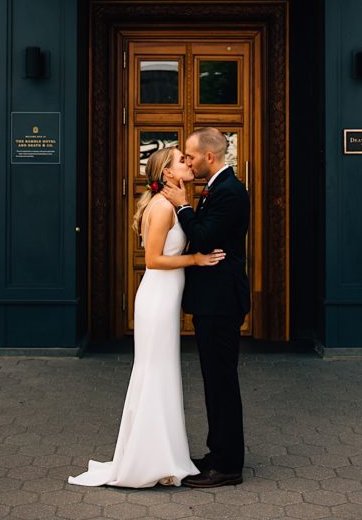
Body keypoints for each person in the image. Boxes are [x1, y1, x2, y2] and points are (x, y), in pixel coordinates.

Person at [68, 145, 225, 489]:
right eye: (181, 159)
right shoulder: (161, 208)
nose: (189, 162)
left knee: (163, 375)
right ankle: (151, 460)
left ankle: (164, 457)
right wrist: (196, 260)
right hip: (156, 299)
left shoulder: (173, 205)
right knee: (155, 374)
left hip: (166, 298)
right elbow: (153, 260)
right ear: (167, 173)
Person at [162, 127, 250, 488]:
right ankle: (217, 453)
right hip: (212, 301)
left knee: (222, 383)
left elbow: (202, 238)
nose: (188, 161)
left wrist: (182, 206)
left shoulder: (230, 191)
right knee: (214, 382)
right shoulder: (217, 187)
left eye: (192, 156)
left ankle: (228, 466)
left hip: (222, 301)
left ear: (209, 157)